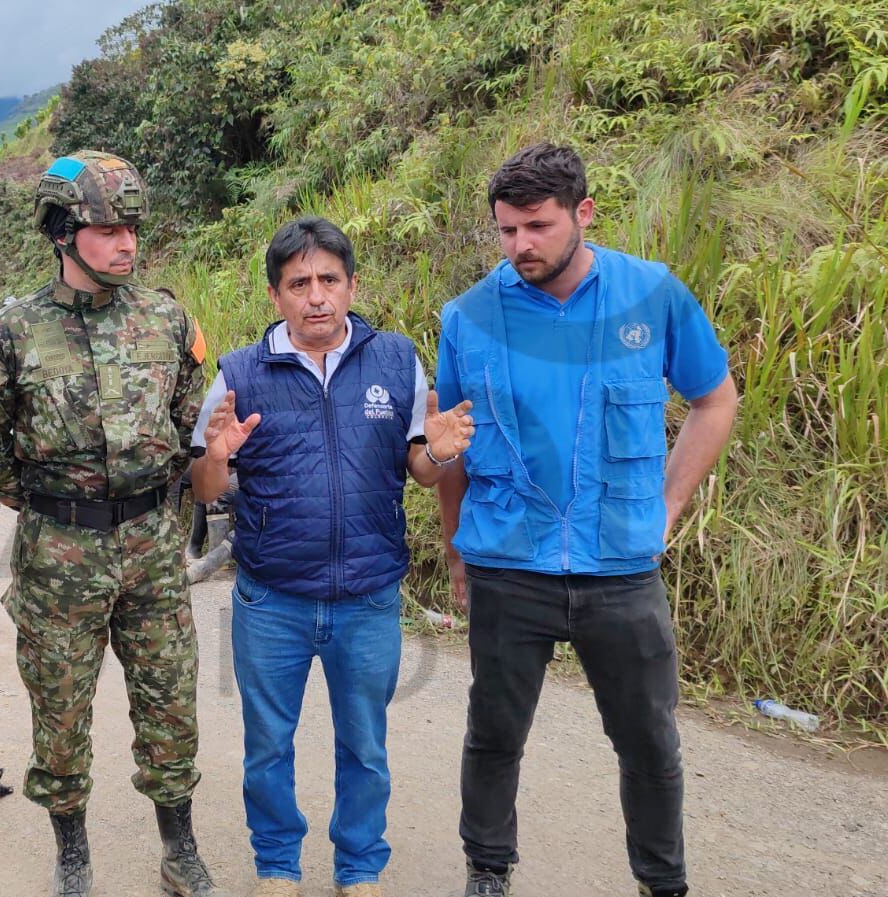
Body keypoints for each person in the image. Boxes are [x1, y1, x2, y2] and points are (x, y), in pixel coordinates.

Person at [434, 145, 739, 897]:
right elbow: (453, 444)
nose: (520, 245)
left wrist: (668, 505)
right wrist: (456, 549)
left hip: (620, 567)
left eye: (537, 226)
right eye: (507, 230)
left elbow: (714, 398)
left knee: (649, 744)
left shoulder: (652, 296)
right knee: (494, 734)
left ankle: (662, 881)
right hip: (510, 562)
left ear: (584, 214)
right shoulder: (469, 317)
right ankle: (487, 871)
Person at [189, 217, 474, 897]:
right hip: (271, 598)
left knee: (365, 745)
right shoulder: (237, 374)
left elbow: (418, 468)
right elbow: (203, 486)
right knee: (267, 744)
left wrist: (437, 451)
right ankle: (277, 866)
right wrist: (217, 456)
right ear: (274, 295)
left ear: (351, 285)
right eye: (298, 284)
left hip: (368, 597)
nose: (315, 297)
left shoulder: (395, 360)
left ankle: (359, 867)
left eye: (328, 280)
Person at [0, 150, 215, 897]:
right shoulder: (9, 335)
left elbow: (187, 425)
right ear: (62, 233)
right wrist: (50, 501)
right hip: (58, 553)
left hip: (154, 547)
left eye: (133, 228)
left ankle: (180, 848)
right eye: (108, 229)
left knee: (170, 701)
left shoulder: (167, 320)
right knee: (60, 710)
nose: (127, 243)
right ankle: (72, 854)